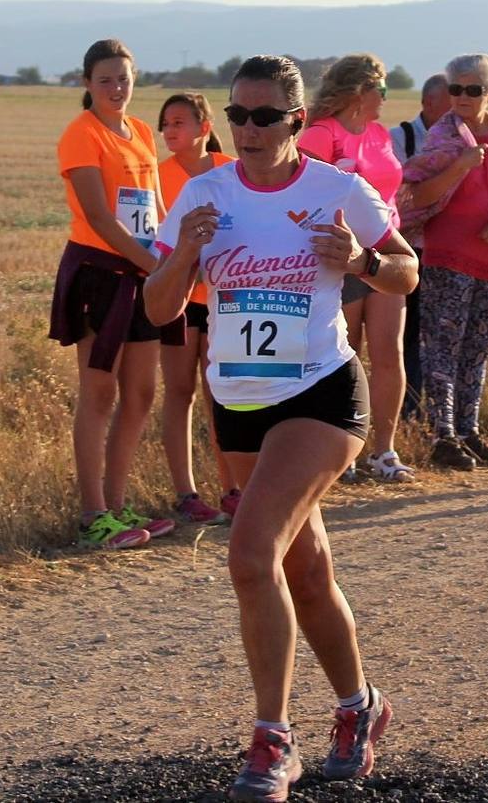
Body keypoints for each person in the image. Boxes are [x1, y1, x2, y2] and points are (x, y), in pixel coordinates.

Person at [145, 55, 417, 802]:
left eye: (265, 117)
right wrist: (189, 255)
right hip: (238, 404)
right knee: (305, 569)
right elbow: (159, 307)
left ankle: (272, 741)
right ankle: (360, 708)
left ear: (296, 121)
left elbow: (406, 270)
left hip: (322, 394)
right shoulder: (205, 194)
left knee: (249, 552)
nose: (249, 129)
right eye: (238, 115)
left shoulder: (336, 190)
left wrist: (364, 261)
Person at [47, 38, 177, 549]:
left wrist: (167, 259)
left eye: (124, 78)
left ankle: (119, 508)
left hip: (145, 272)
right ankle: (92, 515)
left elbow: (155, 207)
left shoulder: (141, 130)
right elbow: (100, 217)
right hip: (101, 273)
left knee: (142, 394)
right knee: (99, 393)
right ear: (87, 84)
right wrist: (154, 266)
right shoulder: (81, 135)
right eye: (105, 80)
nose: (117, 88)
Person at [399, 53, 488, 471]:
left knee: (475, 350)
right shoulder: (443, 137)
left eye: (473, 90)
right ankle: (443, 436)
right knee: (441, 350)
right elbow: (414, 195)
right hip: (445, 256)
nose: (463, 97)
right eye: (456, 89)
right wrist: (459, 166)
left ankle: (469, 432)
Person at [297, 54, 413, 482]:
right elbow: (304, 193)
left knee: (389, 353)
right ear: (359, 92)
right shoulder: (320, 134)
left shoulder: (381, 133)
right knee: (344, 354)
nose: (385, 99)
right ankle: (337, 451)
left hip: (383, 253)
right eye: (380, 90)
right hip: (337, 259)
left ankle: (382, 451)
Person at [156, 92, 239, 523]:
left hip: (225, 301)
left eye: (179, 122)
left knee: (221, 394)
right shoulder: (159, 176)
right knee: (180, 392)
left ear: (204, 127)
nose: (170, 131)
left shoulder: (231, 171)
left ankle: (233, 487)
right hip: (182, 301)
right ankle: (186, 494)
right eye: (165, 124)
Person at [388, 74, 451, 420]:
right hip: (412, 252)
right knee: (410, 335)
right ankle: (410, 411)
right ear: (428, 103)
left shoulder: (463, 140)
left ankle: (441, 415)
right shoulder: (399, 139)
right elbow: (402, 197)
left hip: (448, 253)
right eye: (449, 102)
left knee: (441, 336)